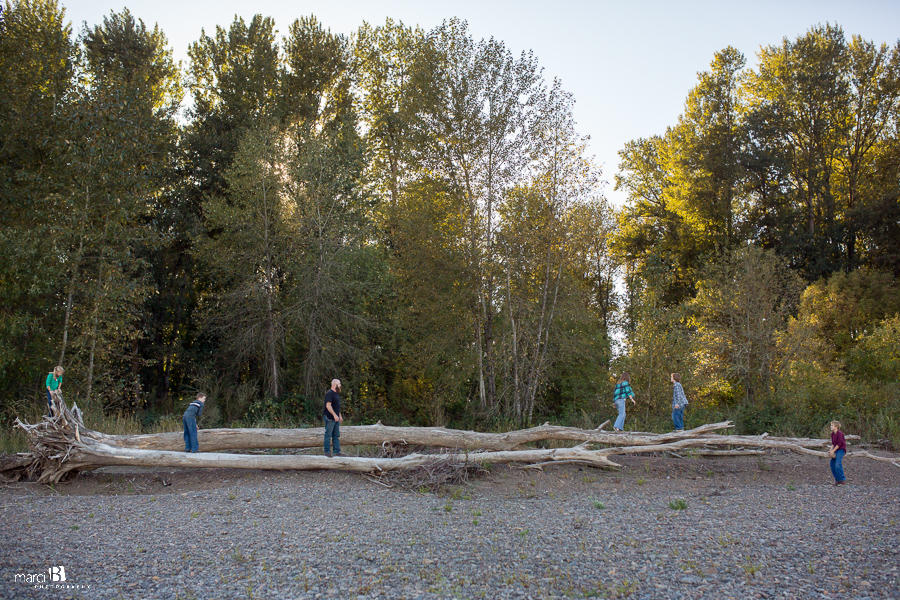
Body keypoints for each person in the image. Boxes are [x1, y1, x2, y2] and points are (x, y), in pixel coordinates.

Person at [323, 379, 344, 457]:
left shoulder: (336, 394)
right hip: (329, 418)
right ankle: (327, 452)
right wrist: (334, 415)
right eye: (339, 383)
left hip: (336, 418)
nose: (340, 385)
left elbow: (336, 407)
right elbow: (328, 406)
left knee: (336, 435)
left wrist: (339, 416)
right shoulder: (329, 394)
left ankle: (337, 451)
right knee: (328, 434)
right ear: (335, 384)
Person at [829, 420, 847, 486]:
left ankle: (842, 479)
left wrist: (833, 451)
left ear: (836, 427)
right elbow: (833, 444)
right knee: (832, 464)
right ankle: (837, 480)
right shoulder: (832, 434)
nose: (831, 427)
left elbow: (839, 444)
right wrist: (831, 450)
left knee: (838, 463)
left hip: (841, 449)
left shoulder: (840, 433)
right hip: (836, 449)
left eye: (832, 425)